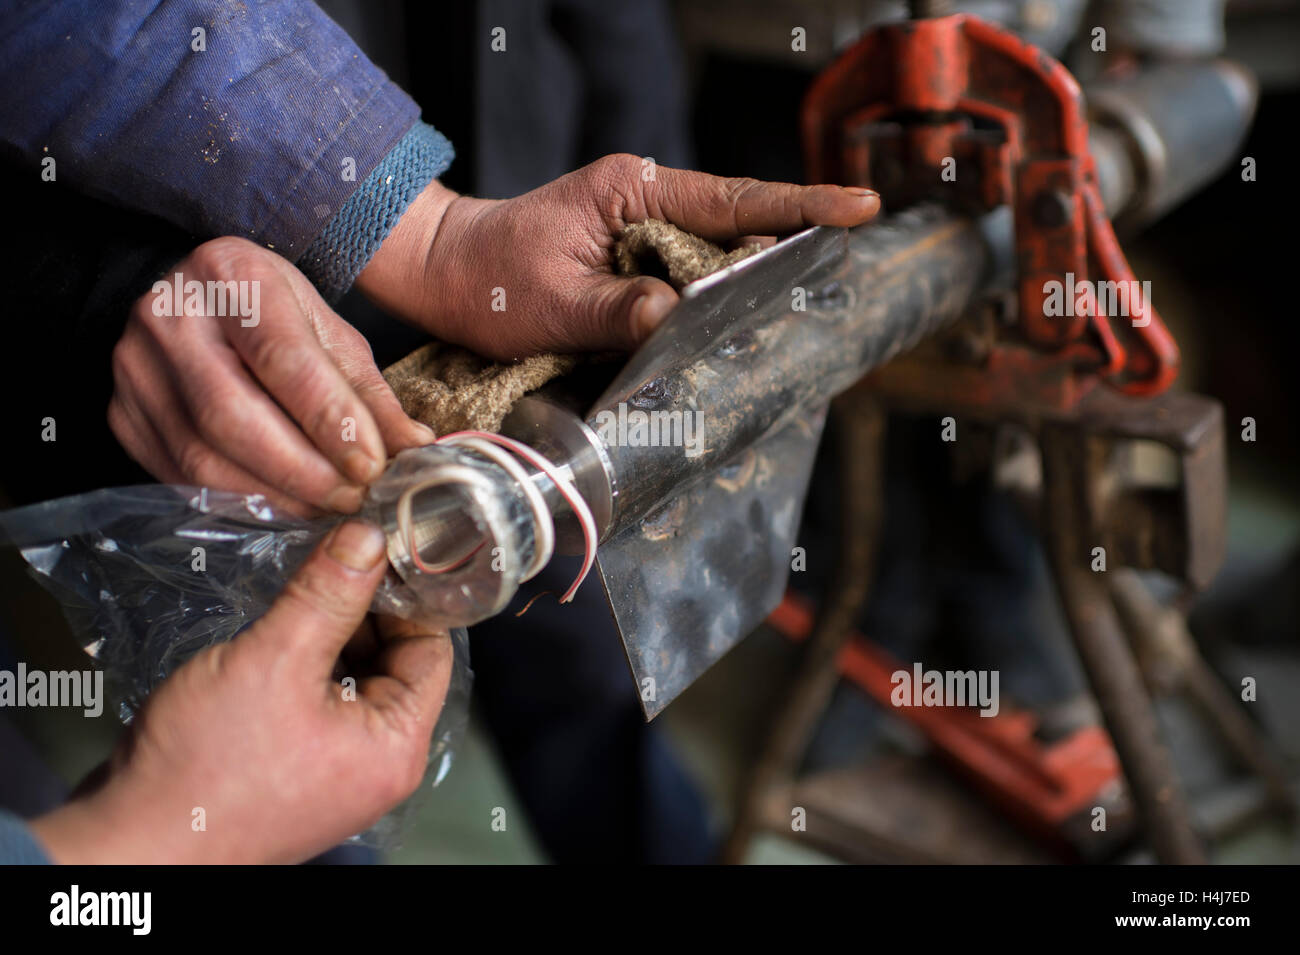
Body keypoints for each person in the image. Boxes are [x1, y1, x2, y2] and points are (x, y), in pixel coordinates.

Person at [0, 0, 880, 861]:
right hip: (219, 362)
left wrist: (432, 231)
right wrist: (104, 293)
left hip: (511, 285)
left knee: (576, 672)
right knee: (290, 763)